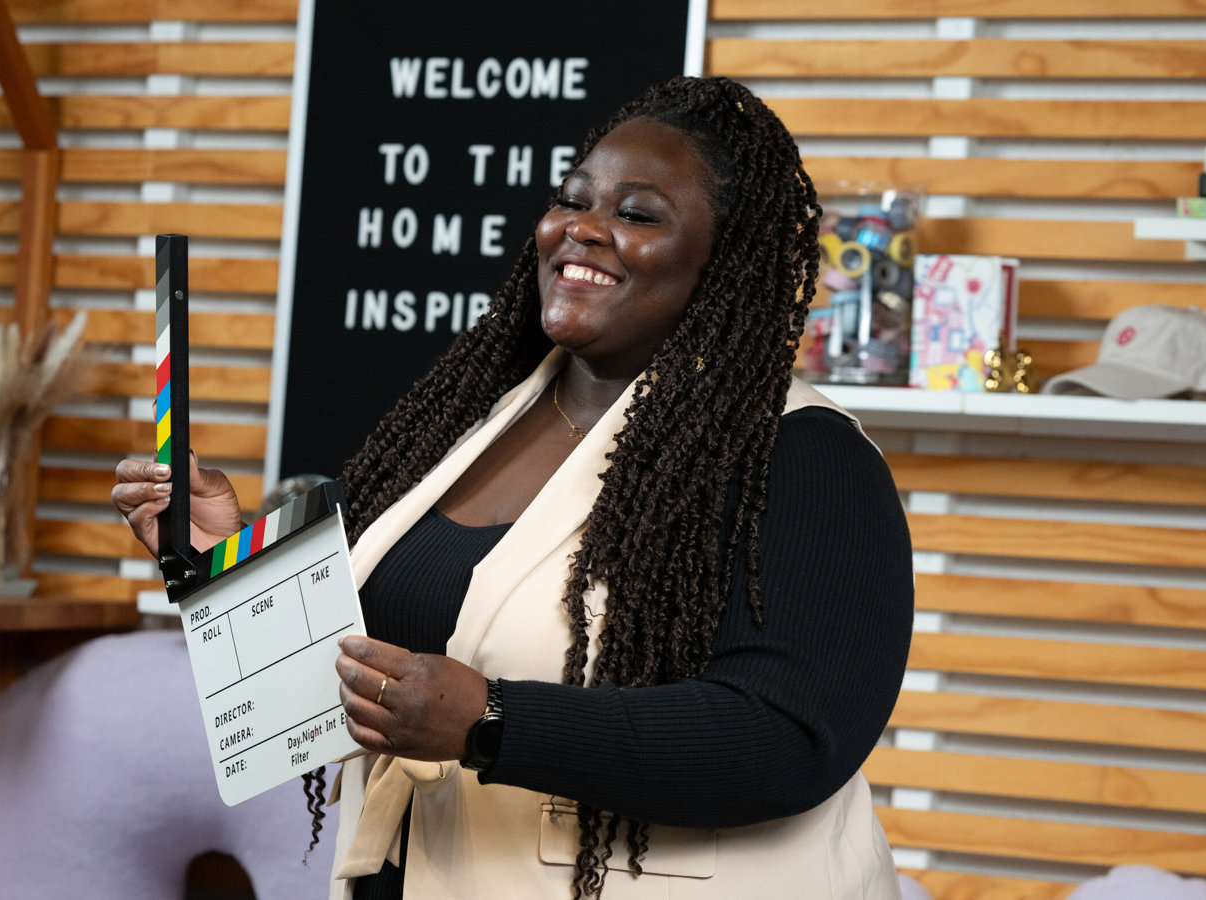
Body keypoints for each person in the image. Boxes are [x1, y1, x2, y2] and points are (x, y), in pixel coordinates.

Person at [113, 76, 913, 899]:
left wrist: (495, 720)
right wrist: (224, 561)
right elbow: (351, 680)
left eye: (637, 214)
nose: (583, 230)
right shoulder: (462, 425)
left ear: (725, 263)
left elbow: (787, 736)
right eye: (573, 200)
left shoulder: (805, 457)